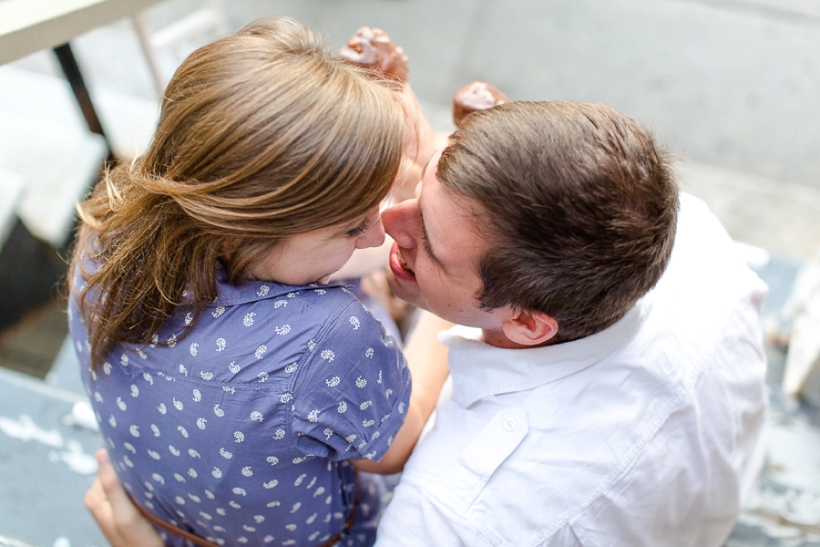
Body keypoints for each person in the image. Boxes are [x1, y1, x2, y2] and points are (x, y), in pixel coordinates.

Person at [85, 100, 768, 547]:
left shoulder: (447, 520)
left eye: (429, 240)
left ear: (528, 322)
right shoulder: (693, 238)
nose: (385, 222)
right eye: (421, 187)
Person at [69, 17, 449, 547]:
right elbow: (397, 446)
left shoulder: (105, 235)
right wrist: (445, 299)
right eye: (349, 225)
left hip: (167, 522)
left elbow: (271, 268)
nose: (374, 236)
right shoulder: (332, 340)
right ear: (236, 230)